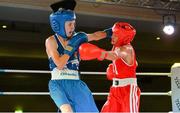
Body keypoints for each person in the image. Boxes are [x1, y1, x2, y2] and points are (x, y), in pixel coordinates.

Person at [45, 0, 112, 112]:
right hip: (57, 84)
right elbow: (60, 64)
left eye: (74, 23)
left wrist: (111, 32)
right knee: (67, 110)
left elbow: (95, 36)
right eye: (69, 24)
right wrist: (71, 46)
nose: (73, 27)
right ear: (59, 24)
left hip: (76, 84)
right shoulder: (51, 41)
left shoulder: (77, 37)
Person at [79, 22, 141, 113]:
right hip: (115, 90)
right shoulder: (117, 46)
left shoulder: (127, 49)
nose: (112, 37)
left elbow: (115, 55)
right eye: (113, 34)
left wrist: (99, 53)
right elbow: (135, 63)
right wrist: (118, 71)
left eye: (116, 35)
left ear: (124, 38)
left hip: (128, 90)